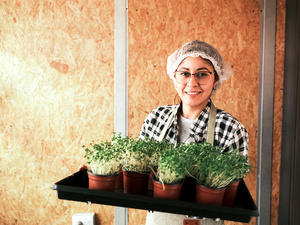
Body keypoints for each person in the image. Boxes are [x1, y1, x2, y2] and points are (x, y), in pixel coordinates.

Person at [139, 40, 249, 225]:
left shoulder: (231, 129)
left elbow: (230, 196)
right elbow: (137, 174)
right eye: (184, 73)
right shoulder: (156, 118)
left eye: (202, 74)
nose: (192, 83)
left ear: (216, 80)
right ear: (174, 77)